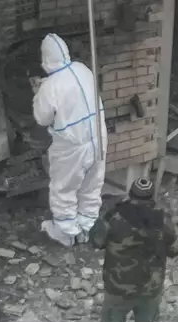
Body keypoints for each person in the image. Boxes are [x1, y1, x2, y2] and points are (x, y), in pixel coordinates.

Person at [89, 177, 178, 322]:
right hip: (151, 287)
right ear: (152, 197)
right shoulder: (162, 219)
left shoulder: (114, 217)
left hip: (118, 286)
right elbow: (177, 247)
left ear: (130, 195)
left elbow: (95, 240)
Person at [32, 33, 108, 248]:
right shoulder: (82, 69)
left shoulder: (50, 87)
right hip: (98, 137)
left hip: (72, 146)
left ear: (45, 59)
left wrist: (38, 92)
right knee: (91, 184)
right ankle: (87, 226)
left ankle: (66, 233)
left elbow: (42, 117)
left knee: (63, 188)